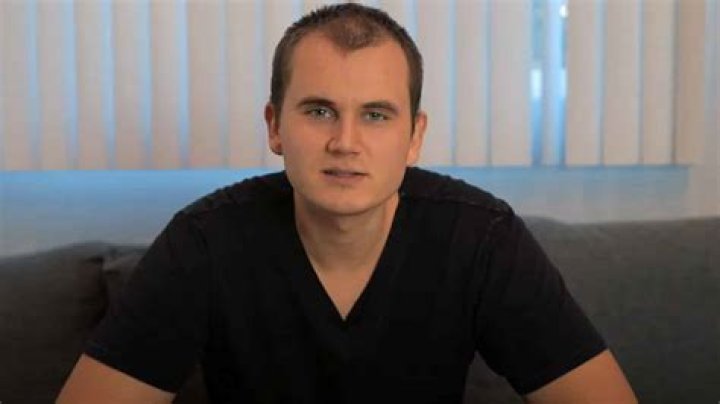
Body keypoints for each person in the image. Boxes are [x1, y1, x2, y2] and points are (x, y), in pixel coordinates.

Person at [58, 3, 636, 403]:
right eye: (319, 111)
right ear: (274, 126)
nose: (345, 142)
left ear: (415, 136)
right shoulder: (204, 243)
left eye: (376, 115)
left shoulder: (482, 239)